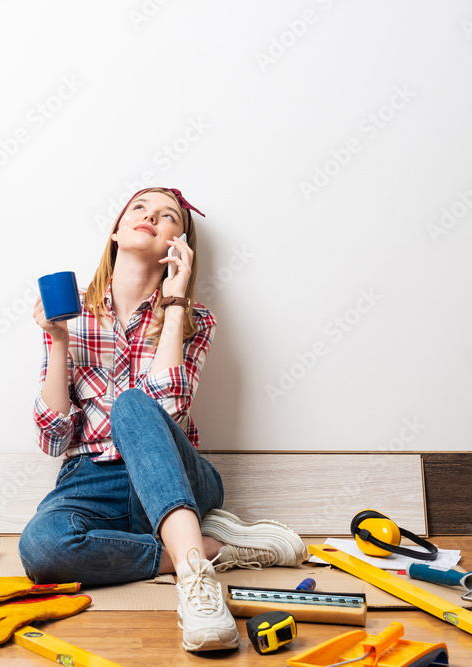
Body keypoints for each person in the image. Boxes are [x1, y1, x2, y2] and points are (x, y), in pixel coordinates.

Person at [19, 187, 307, 652]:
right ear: (115, 230)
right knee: (41, 549)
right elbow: (54, 439)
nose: (150, 216)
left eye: (167, 216)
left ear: (179, 244)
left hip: (177, 474)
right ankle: (210, 548)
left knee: (133, 405)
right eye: (139, 209)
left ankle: (197, 588)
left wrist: (175, 305)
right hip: (92, 481)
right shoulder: (70, 316)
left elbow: (168, 407)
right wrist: (57, 342)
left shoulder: (197, 320)